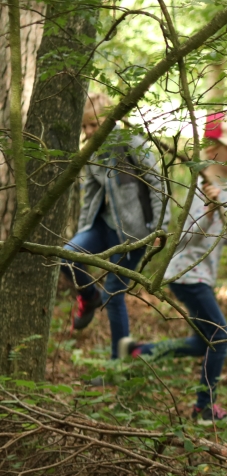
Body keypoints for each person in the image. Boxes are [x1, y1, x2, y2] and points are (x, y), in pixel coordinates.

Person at [120, 113, 227, 423]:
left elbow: (221, 238)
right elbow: (187, 235)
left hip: (199, 275)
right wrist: (207, 209)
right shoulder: (202, 185)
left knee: (201, 342)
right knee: (221, 340)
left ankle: (139, 351)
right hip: (188, 275)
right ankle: (204, 408)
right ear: (213, 149)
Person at [62, 92, 167, 362]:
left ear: (111, 119)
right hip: (104, 226)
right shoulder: (93, 151)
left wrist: (159, 227)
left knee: (114, 295)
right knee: (67, 255)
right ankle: (89, 297)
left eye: (94, 125)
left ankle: (117, 363)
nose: (88, 132)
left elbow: (158, 183)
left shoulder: (132, 144)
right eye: (84, 126)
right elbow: (92, 195)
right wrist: (82, 231)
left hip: (134, 233)